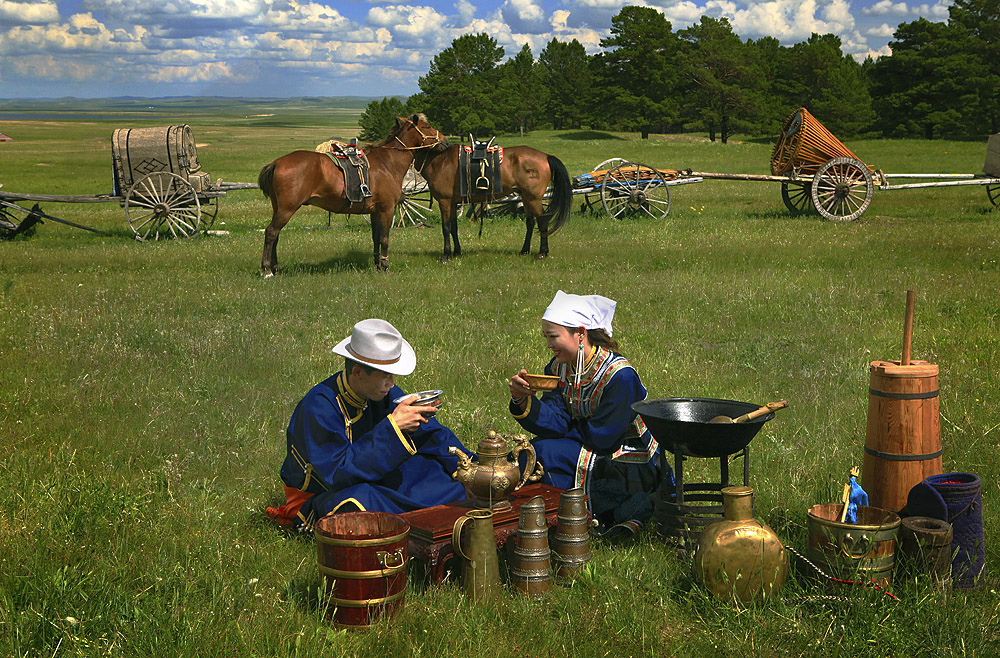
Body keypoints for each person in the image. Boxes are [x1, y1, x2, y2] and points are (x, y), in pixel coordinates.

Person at [266, 319, 467, 530]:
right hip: (324, 492)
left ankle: (430, 517)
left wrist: (468, 465)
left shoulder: (382, 393)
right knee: (361, 502)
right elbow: (336, 474)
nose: (392, 383)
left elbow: (431, 435)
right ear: (357, 372)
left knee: (431, 470)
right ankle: (424, 521)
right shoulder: (318, 406)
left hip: (366, 477)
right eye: (385, 376)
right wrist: (393, 429)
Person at [508, 291, 672, 536]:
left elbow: (604, 437)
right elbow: (557, 419)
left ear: (581, 334)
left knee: (546, 452)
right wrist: (522, 400)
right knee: (531, 450)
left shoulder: (619, 376)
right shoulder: (559, 367)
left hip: (623, 455)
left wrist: (560, 436)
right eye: (546, 337)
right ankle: (534, 517)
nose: (548, 345)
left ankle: (559, 519)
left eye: (553, 337)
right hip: (586, 440)